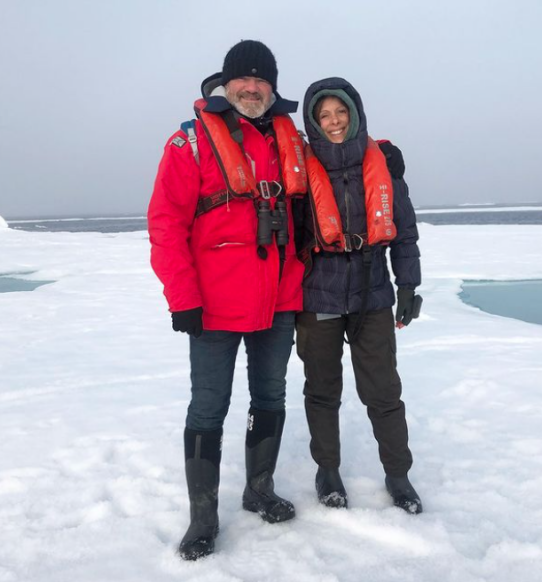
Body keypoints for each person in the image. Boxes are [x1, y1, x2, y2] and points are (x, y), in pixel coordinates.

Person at [147, 40, 310, 561]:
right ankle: (202, 517)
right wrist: (181, 296)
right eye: (244, 79)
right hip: (212, 305)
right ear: (226, 82)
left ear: (273, 86)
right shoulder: (188, 143)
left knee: (270, 397)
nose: (253, 88)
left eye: (263, 80)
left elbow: (342, 151)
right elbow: (165, 223)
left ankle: (258, 489)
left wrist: (385, 154)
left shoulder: (292, 138)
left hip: (279, 300)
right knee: (209, 405)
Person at [294, 77, 423, 514]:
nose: (333, 122)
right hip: (319, 295)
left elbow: (404, 231)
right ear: (314, 121)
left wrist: (408, 284)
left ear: (354, 113)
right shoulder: (297, 164)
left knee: (384, 391)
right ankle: (327, 470)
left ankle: (398, 475)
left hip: (373, 293)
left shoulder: (383, 160)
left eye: (340, 112)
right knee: (323, 390)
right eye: (323, 115)